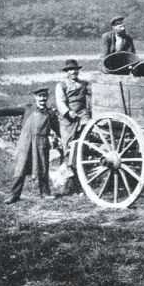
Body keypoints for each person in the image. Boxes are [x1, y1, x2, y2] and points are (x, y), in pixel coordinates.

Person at [0, 88, 60, 204]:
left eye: (44, 96)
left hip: (42, 144)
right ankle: (14, 195)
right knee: (20, 168)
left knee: (43, 168)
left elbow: (58, 129)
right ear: (35, 97)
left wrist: (64, 141)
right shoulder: (28, 108)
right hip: (26, 142)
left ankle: (45, 193)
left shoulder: (50, 113)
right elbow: (10, 111)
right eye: (40, 96)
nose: (42, 98)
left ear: (47, 97)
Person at [55, 59, 91, 194]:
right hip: (67, 121)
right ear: (67, 72)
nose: (74, 72)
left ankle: (82, 183)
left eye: (75, 69)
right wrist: (68, 112)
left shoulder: (83, 84)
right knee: (68, 150)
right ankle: (68, 185)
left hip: (82, 117)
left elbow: (92, 95)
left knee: (83, 148)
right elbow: (60, 102)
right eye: (70, 70)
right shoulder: (62, 86)